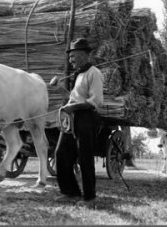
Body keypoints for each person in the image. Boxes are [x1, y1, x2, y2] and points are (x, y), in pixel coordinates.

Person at [54, 38, 103, 207]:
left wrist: (73, 107)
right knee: (61, 154)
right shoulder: (79, 74)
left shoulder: (94, 73)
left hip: (86, 118)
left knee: (85, 158)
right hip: (72, 119)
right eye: (70, 57)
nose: (71, 60)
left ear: (83, 55)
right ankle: (70, 192)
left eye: (73, 56)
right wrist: (60, 89)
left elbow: (96, 101)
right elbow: (72, 98)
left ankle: (89, 198)